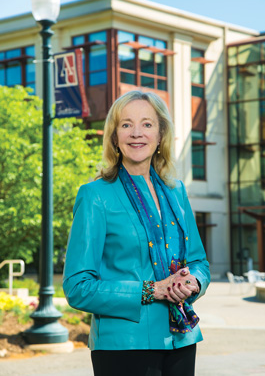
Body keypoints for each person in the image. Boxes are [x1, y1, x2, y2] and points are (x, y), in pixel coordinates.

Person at [63, 90, 210, 376]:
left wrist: (192, 282)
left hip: (182, 339)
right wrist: (152, 289)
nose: (136, 133)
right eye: (126, 124)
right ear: (115, 136)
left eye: (147, 124)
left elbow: (199, 263)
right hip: (124, 347)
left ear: (160, 134)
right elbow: (77, 287)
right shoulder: (95, 196)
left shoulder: (176, 191)